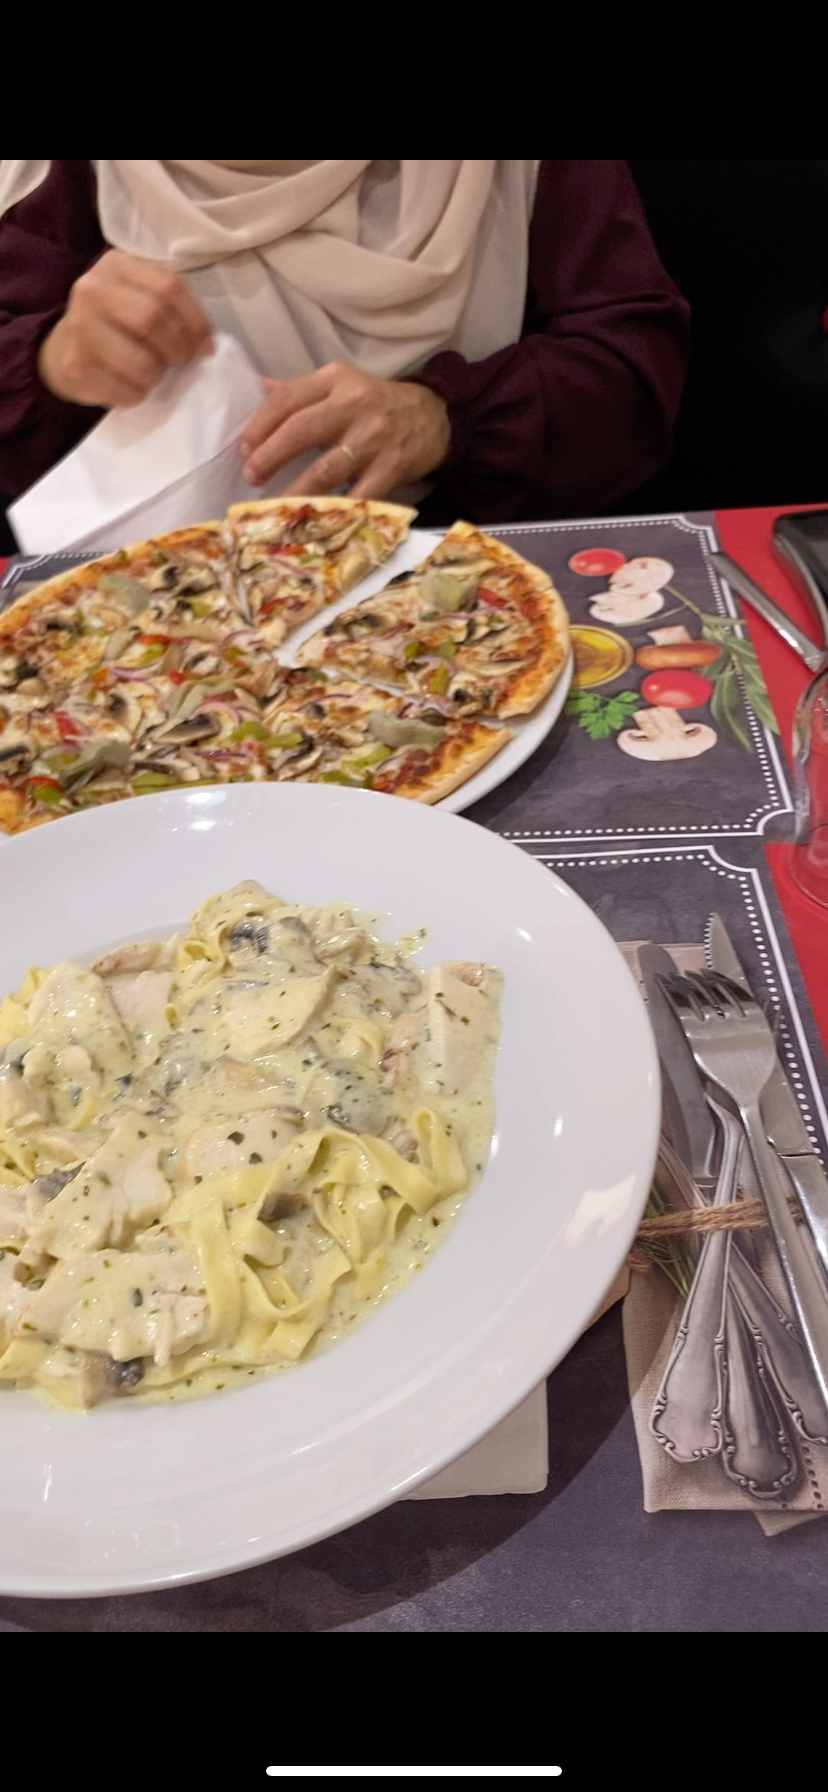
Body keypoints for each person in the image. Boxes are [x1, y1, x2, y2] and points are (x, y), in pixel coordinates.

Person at [0, 160, 689, 533]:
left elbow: (629, 371)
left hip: (464, 595)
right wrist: (54, 362)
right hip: (155, 621)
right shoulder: (71, 175)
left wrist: (442, 421)